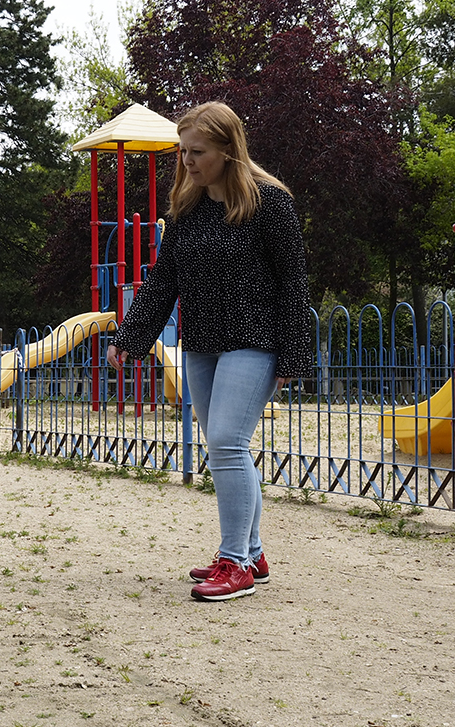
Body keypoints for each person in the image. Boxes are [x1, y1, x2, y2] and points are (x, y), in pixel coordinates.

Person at [106, 101, 312, 602]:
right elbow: (164, 281)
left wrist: (294, 356)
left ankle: (235, 562)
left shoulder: (271, 204)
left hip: (256, 341)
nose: (188, 162)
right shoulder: (187, 209)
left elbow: (293, 284)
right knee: (224, 450)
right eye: (183, 152)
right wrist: (131, 337)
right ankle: (253, 550)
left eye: (197, 152)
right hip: (200, 344)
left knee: (225, 442)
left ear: (227, 149)